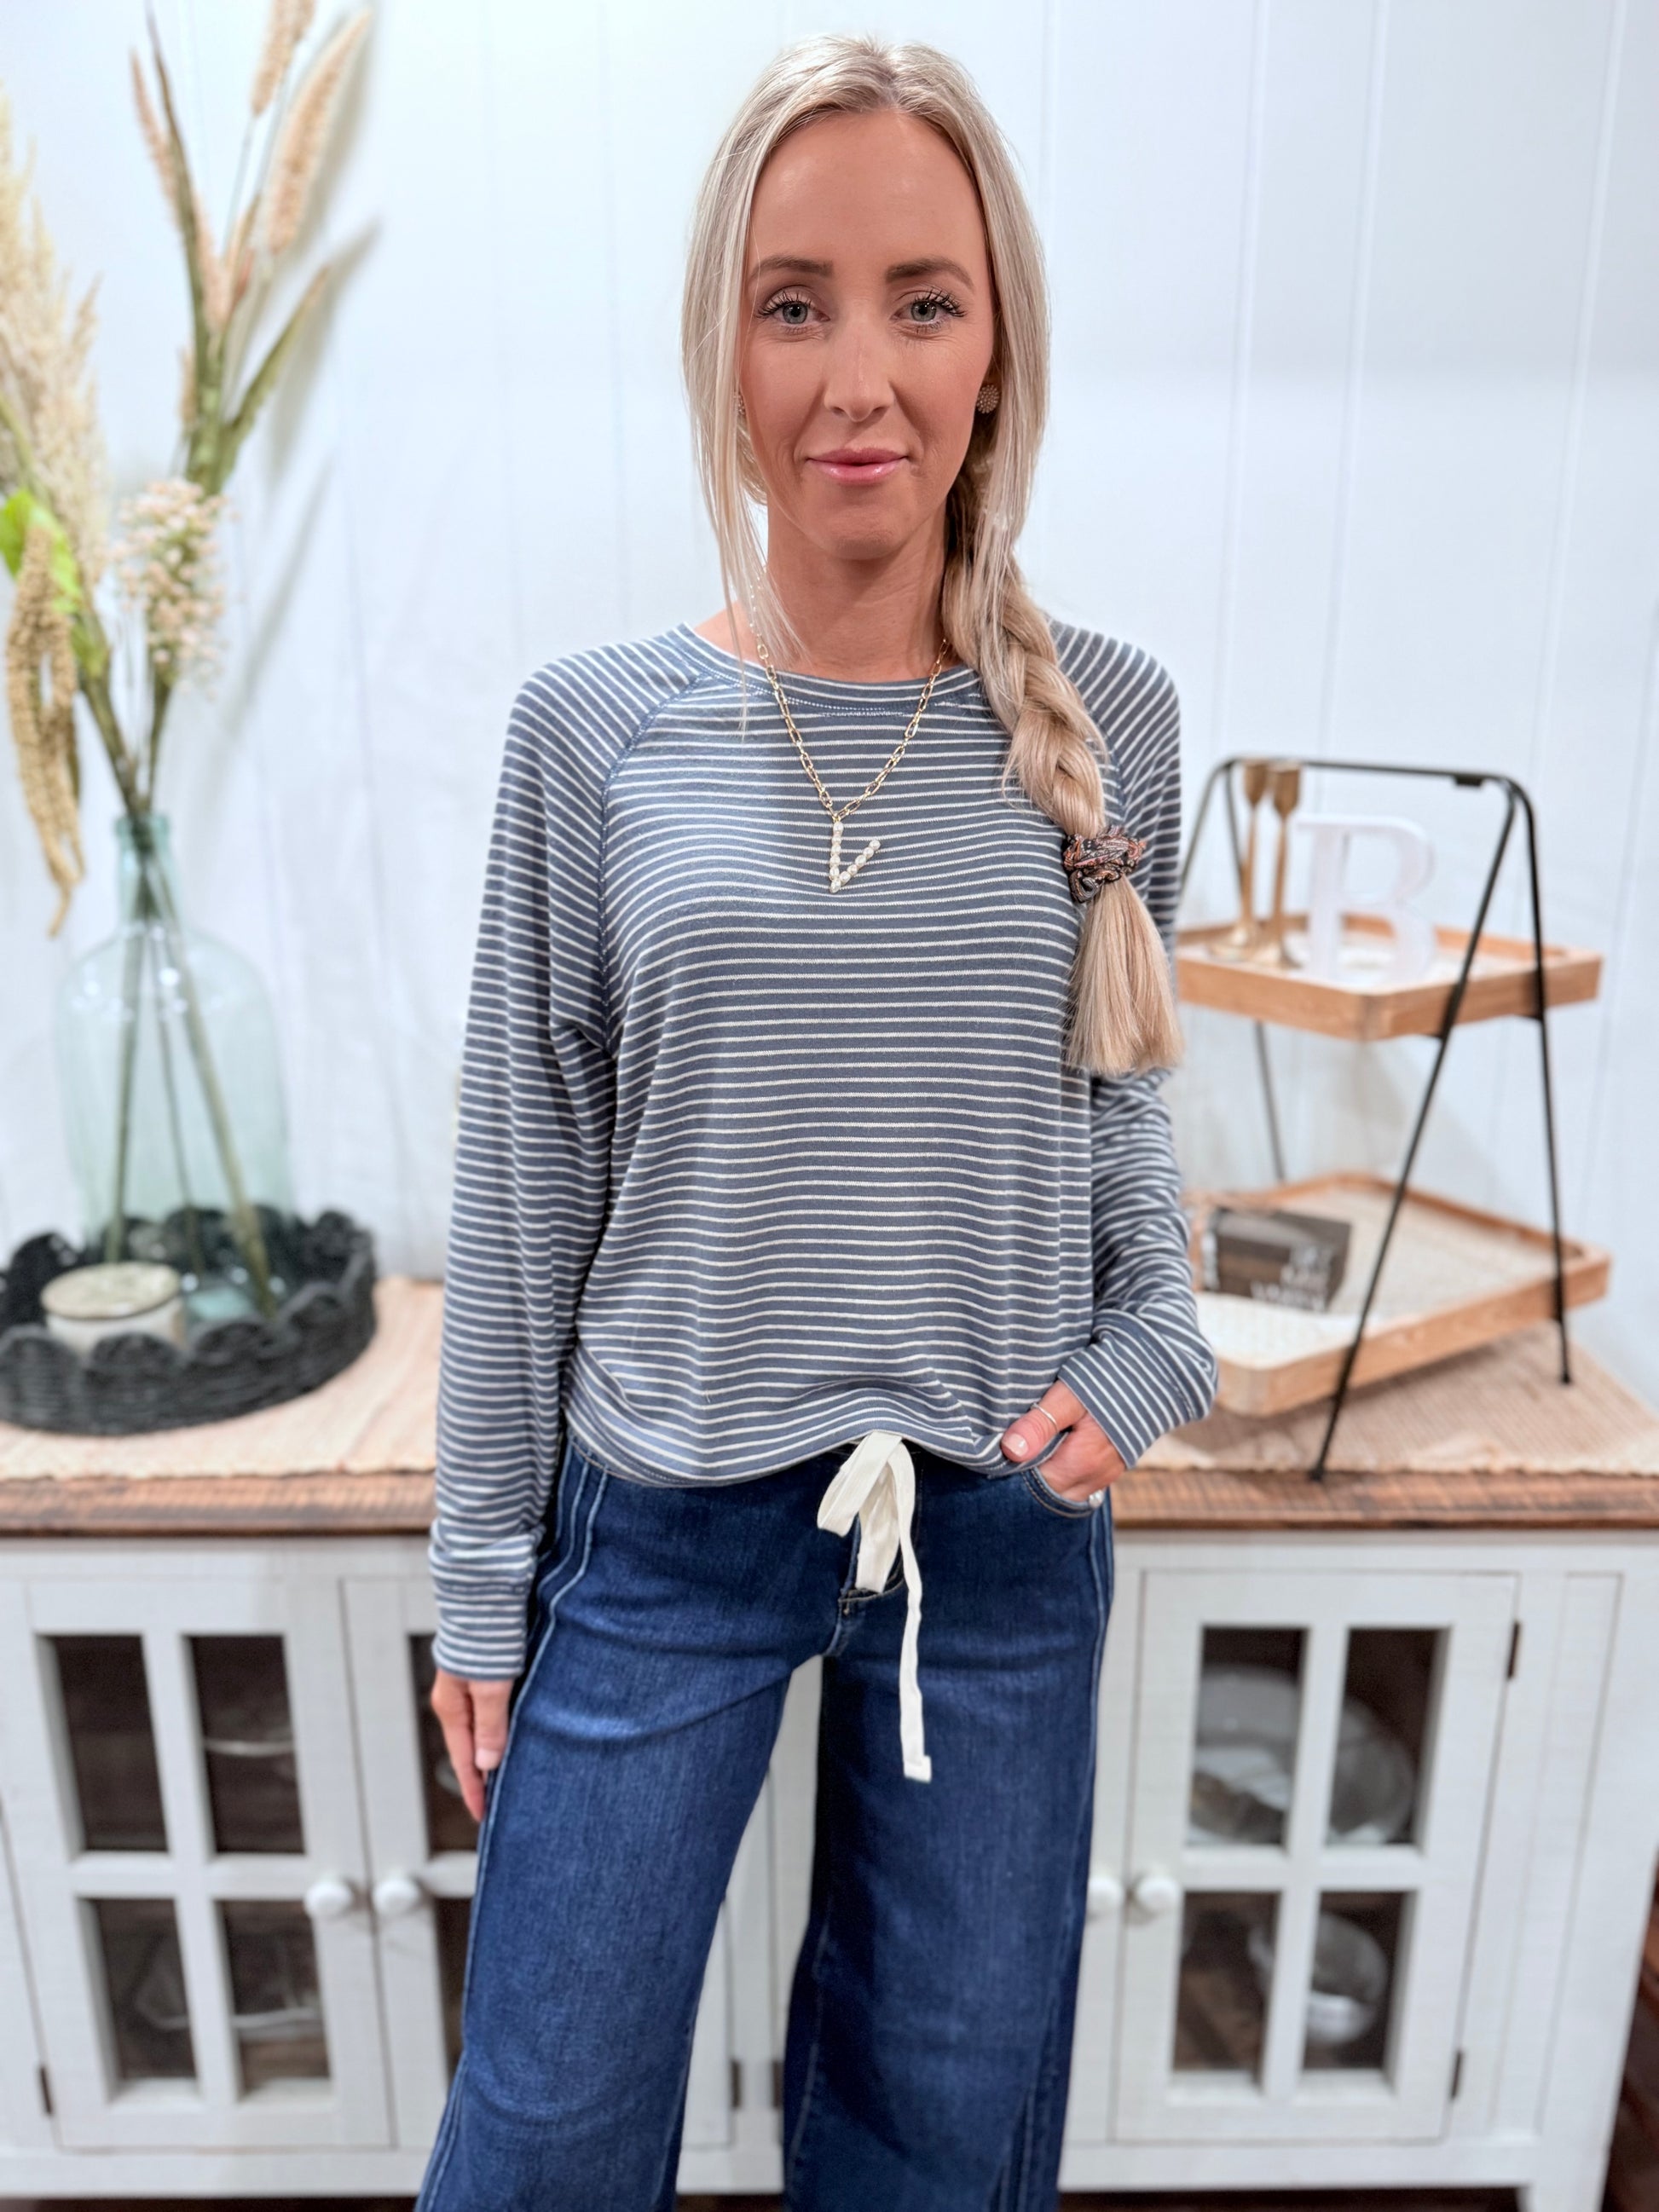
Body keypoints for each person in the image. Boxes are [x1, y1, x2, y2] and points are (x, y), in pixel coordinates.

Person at [415, 32, 1218, 2212]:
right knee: (541, 2133)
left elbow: (1117, 1103)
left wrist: (1153, 1344)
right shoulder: (594, 737)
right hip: (664, 1516)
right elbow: (523, 1178)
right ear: (724, 341)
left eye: (920, 300)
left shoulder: (1112, 720)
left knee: (940, 2133)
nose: (858, 377)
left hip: (997, 1522)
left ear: (995, 341)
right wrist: (480, 1581)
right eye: (795, 304)